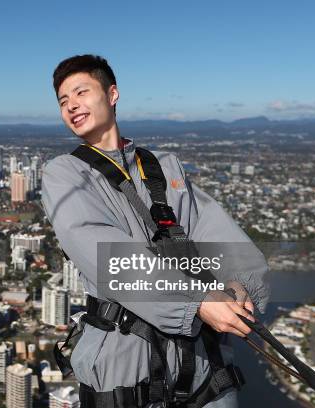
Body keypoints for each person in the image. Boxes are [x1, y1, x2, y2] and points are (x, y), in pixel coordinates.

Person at [40, 54, 269, 407]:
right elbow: (108, 256)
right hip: (130, 376)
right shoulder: (65, 174)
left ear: (112, 94)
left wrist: (238, 285)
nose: (72, 106)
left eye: (81, 92)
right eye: (63, 101)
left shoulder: (164, 166)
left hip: (207, 371)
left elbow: (212, 229)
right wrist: (197, 302)